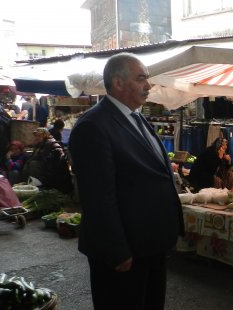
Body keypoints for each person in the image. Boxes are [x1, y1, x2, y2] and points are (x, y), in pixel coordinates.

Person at [69, 52, 184, 310]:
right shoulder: (93, 126)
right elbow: (98, 196)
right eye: (141, 78)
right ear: (118, 83)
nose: (149, 85)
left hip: (150, 243)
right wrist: (116, 250)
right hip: (123, 250)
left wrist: (169, 230)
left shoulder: (137, 118)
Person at [24, 128, 72, 194]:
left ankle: (38, 186)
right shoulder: (40, 143)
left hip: (52, 167)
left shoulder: (50, 143)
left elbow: (47, 158)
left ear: (45, 135)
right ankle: (31, 184)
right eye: (36, 136)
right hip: (46, 164)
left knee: (33, 164)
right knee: (28, 162)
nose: (37, 137)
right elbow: (35, 156)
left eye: (39, 136)